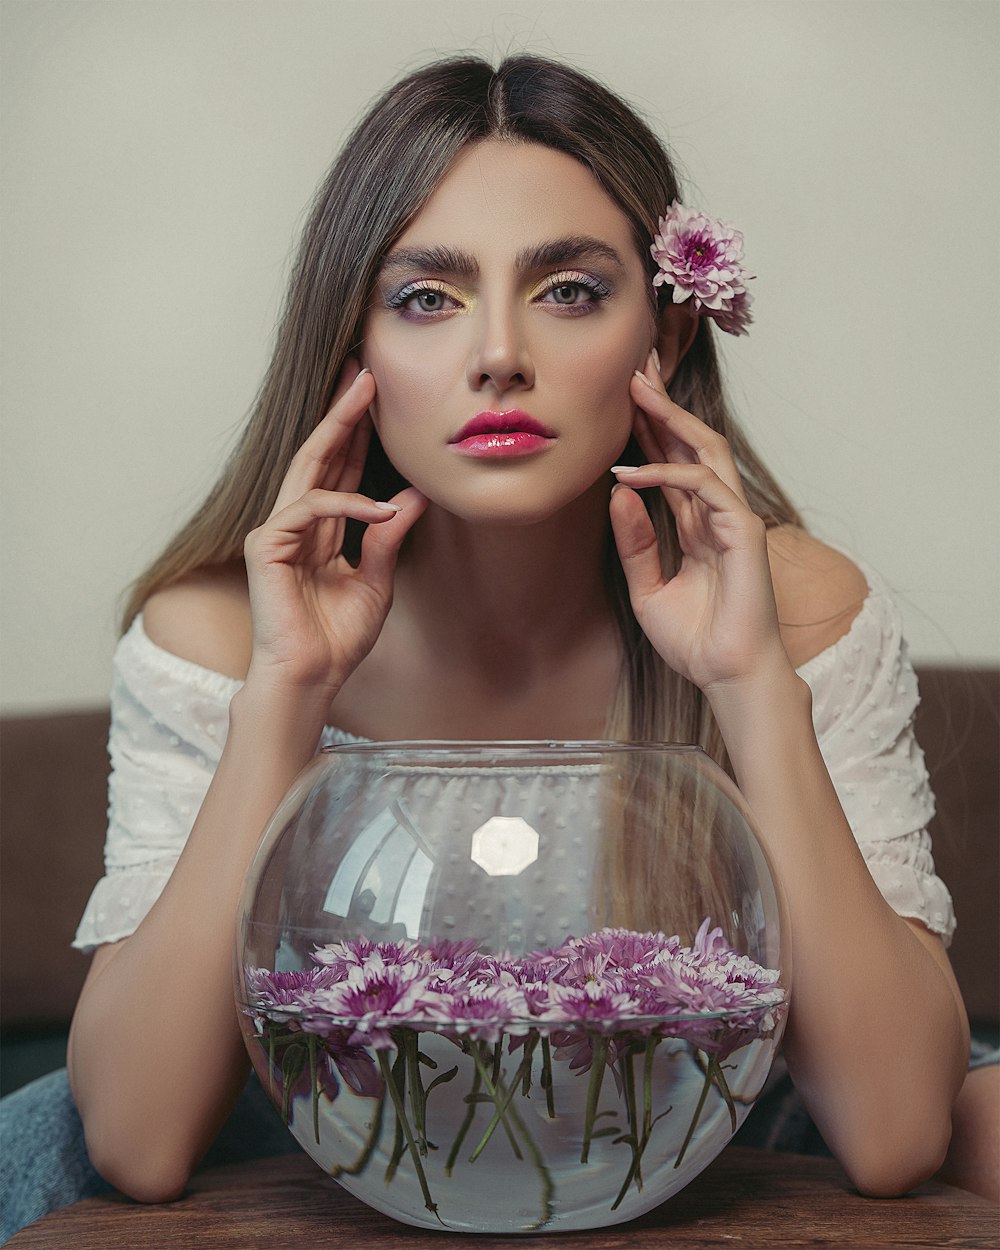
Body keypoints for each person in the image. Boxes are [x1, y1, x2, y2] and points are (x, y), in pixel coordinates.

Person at [1, 53, 992, 1241]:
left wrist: (746, 679)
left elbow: (890, 1135)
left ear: (663, 336)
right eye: (427, 297)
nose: (498, 355)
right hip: (303, 1122)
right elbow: (141, 1140)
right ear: (347, 349)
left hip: (729, 1115)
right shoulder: (216, 631)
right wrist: (285, 691)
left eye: (568, 289)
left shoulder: (796, 601)